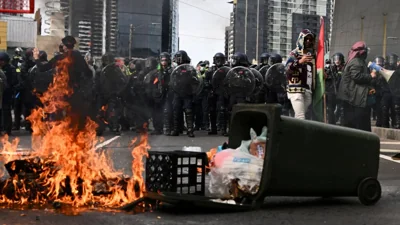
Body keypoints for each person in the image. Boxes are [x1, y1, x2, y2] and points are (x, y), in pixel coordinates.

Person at [33, 35, 94, 130]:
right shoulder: (78, 57)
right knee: (74, 117)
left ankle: (56, 132)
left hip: (61, 92)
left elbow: (42, 68)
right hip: (75, 92)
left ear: (64, 46)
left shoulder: (59, 58)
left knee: (57, 115)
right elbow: (89, 74)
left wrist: (36, 58)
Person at [337, 41, 376, 132]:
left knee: (353, 123)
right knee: (358, 123)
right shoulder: (356, 62)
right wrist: (371, 76)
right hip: (354, 98)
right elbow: (356, 76)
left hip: (353, 97)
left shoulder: (355, 61)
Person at [285, 29, 316, 120]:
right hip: (296, 89)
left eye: (310, 39)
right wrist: (299, 62)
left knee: (300, 116)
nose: (308, 41)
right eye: (306, 39)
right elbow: (286, 69)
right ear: (301, 39)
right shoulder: (294, 53)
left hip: (308, 90)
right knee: (300, 117)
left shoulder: (312, 55)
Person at [170, 50, 196, 137]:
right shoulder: (174, 69)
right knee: (176, 111)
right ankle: (176, 129)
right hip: (177, 93)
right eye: (177, 57)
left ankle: (190, 130)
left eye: (179, 57)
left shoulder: (190, 68)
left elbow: (194, 80)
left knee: (188, 111)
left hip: (187, 92)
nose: (178, 59)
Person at [0, 52, 17, 135]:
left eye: (2, 61)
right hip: (1, 94)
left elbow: (13, 81)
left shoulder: (11, 69)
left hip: (7, 94)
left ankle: (7, 129)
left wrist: (8, 88)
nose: (1, 62)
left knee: (6, 111)